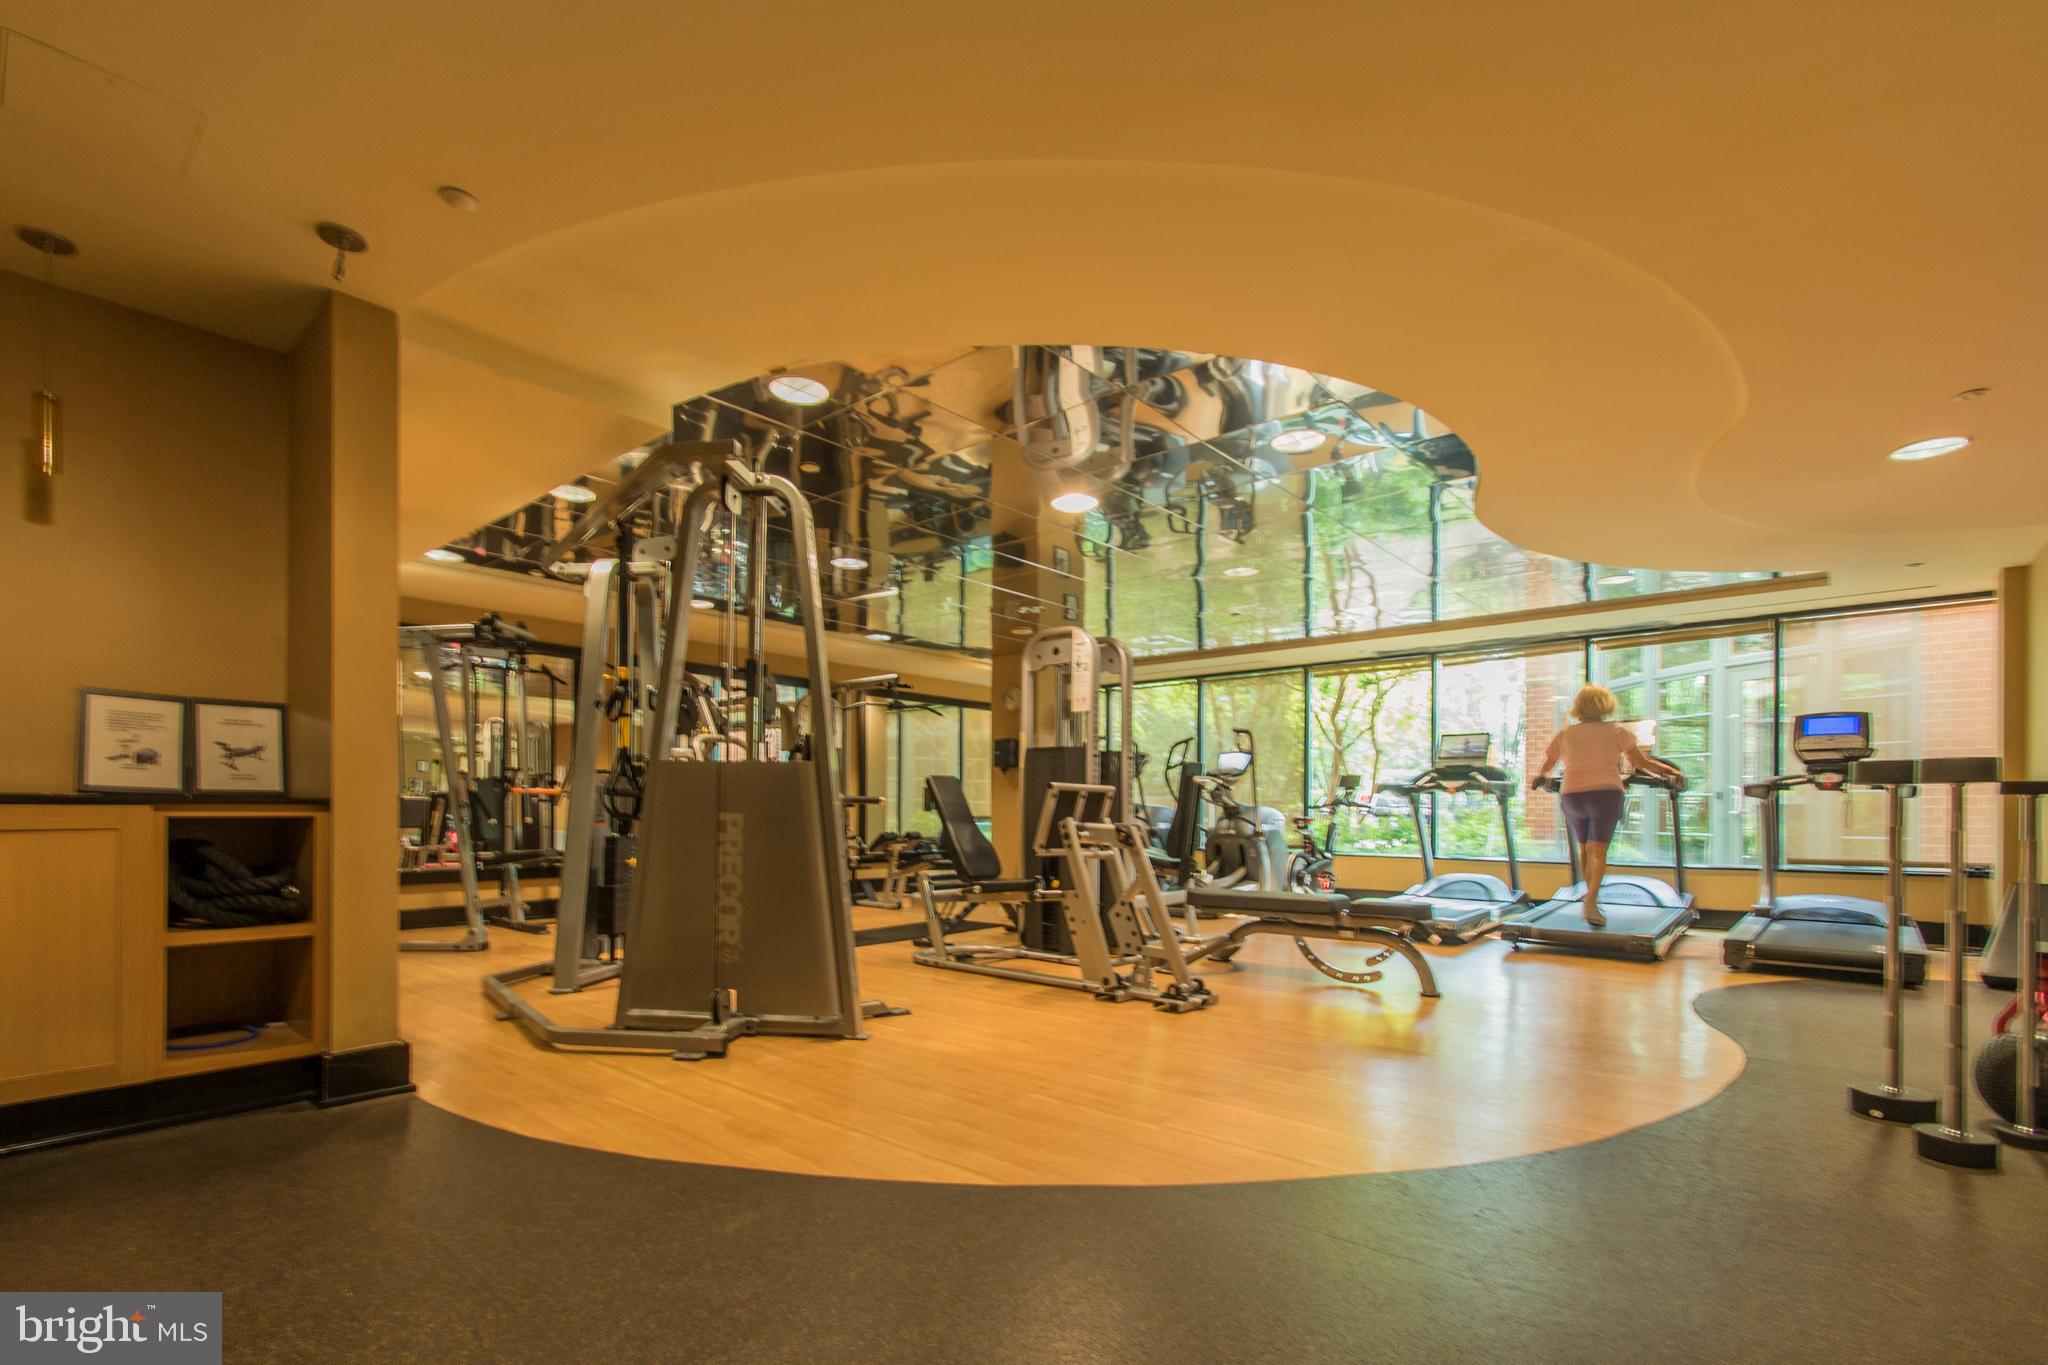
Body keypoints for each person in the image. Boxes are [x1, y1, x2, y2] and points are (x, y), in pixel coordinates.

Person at [1532, 685, 1686, 927]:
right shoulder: (1616, 731)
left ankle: (1589, 897)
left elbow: (1548, 764)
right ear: (1606, 705)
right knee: (1599, 851)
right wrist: (1673, 772)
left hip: (1572, 795)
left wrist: (1541, 776)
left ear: (1578, 707)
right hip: (1604, 794)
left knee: (1585, 849)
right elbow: (1641, 763)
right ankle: (1591, 902)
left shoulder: (1565, 734)